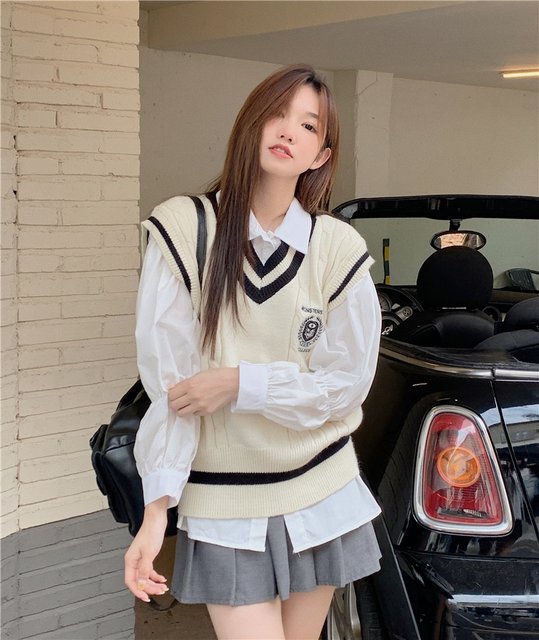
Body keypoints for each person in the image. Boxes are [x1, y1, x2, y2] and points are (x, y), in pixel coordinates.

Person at [124, 64, 382, 640]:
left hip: (319, 487)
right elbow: (173, 391)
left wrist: (242, 383)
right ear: (249, 124)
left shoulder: (337, 246)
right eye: (277, 114)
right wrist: (156, 511)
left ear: (320, 155)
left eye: (309, 125)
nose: (289, 130)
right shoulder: (185, 229)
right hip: (225, 502)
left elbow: (346, 386)